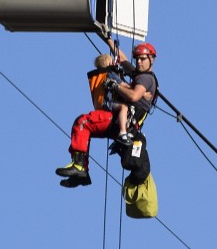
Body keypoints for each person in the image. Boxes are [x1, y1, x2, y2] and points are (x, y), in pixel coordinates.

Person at [56, 42, 158, 187]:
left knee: (83, 122)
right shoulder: (138, 75)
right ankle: (80, 172)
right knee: (85, 127)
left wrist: (115, 85)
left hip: (122, 120)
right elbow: (122, 59)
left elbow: (134, 96)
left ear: (151, 59)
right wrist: (108, 39)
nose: (139, 62)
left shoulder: (145, 78)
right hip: (124, 123)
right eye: (137, 59)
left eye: (142, 59)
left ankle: (80, 167)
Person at [87, 53, 133, 145]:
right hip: (106, 103)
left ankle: (120, 125)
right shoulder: (110, 73)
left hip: (99, 105)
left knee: (121, 107)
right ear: (109, 63)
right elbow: (123, 85)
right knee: (124, 107)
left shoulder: (99, 76)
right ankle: (123, 133)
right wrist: (135, 89)